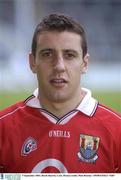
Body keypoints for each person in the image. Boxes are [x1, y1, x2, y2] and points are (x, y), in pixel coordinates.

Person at [0, 14, 121, 173]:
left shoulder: (117, 130)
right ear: (32, 62)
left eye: (69, 55)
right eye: (48, 54)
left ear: (84, 64)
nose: (59, 66)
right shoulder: (3, 128)